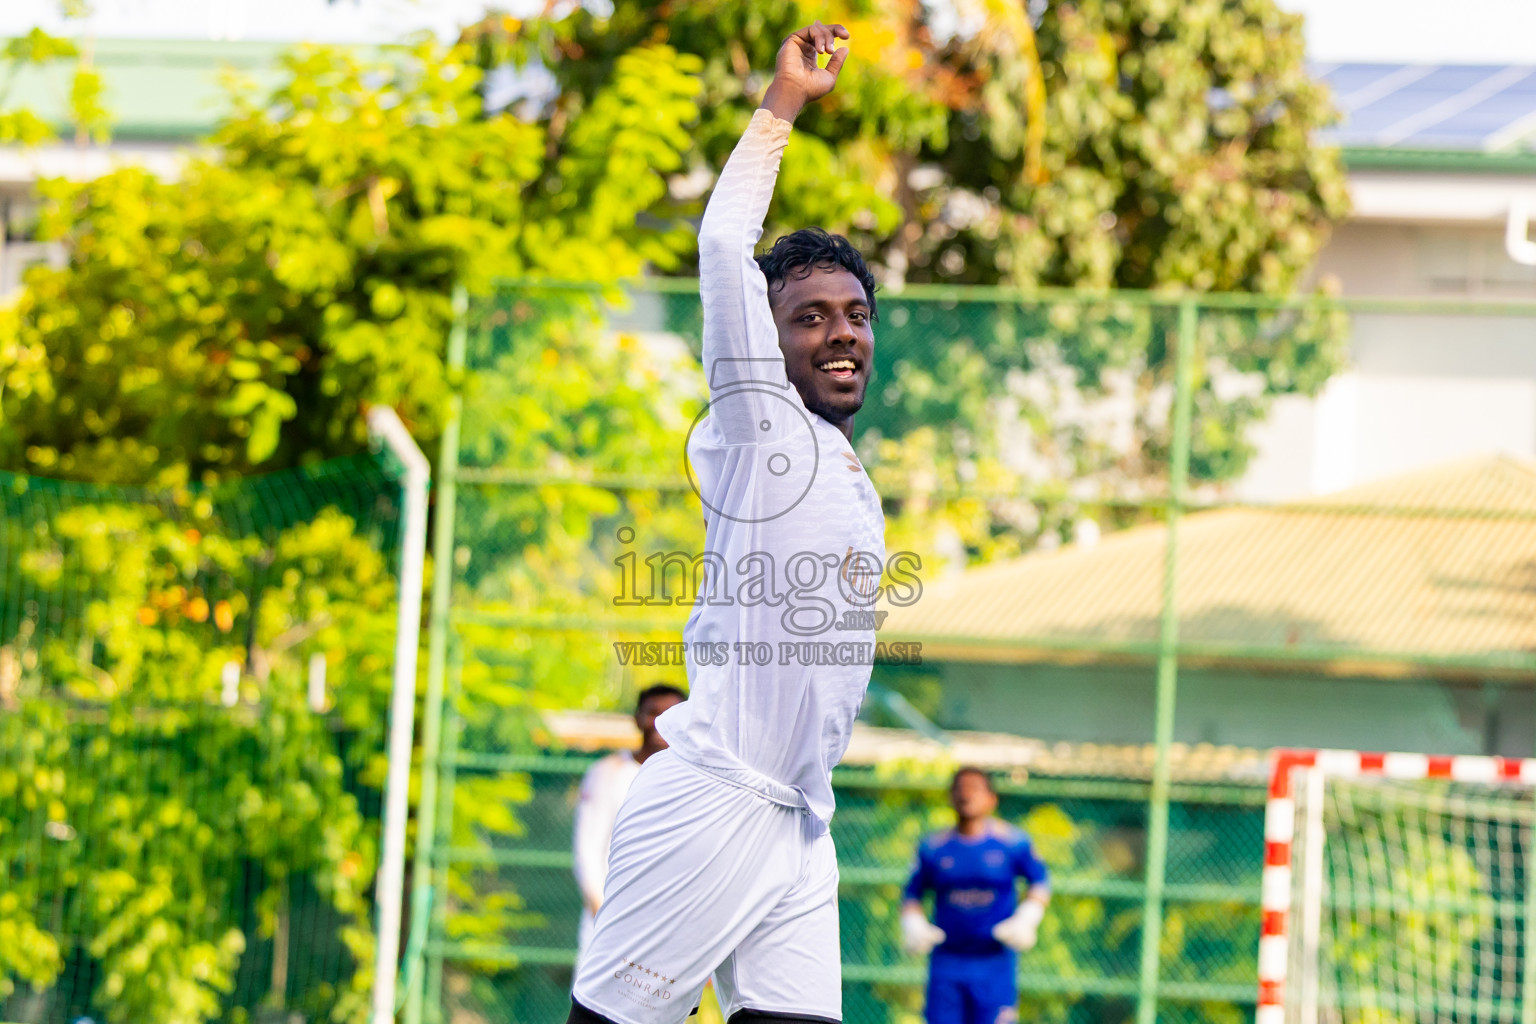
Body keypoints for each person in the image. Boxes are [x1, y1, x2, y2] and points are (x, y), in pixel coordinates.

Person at [568, 19, 885, 1024]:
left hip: (799, 822)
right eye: (810, 316)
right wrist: (784, 106)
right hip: (712, 803)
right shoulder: (762, 422)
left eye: (855, 313)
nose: (839, 331)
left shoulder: (845, 466)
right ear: (769, 341)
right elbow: (720, 242)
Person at [901, 768, 1051, 1024]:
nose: (966, 794)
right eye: (960, 788)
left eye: (975, 788)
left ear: (992, 798)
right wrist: (914, 925)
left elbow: (1040, 881)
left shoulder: (1013, 843)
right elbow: (911, 893)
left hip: (995, 962)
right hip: (947, 962)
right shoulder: (933, 847)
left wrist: (1027, 918)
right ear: (950, 796)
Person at [573, 684, 687, 961]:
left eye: (671, 714)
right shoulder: (608, 773)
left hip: (671, 924)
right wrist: (606, 916)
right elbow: (588, 851)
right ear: (637, 718)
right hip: (612, 919)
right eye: (652, 713)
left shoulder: (693, 779)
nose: (659, 722)